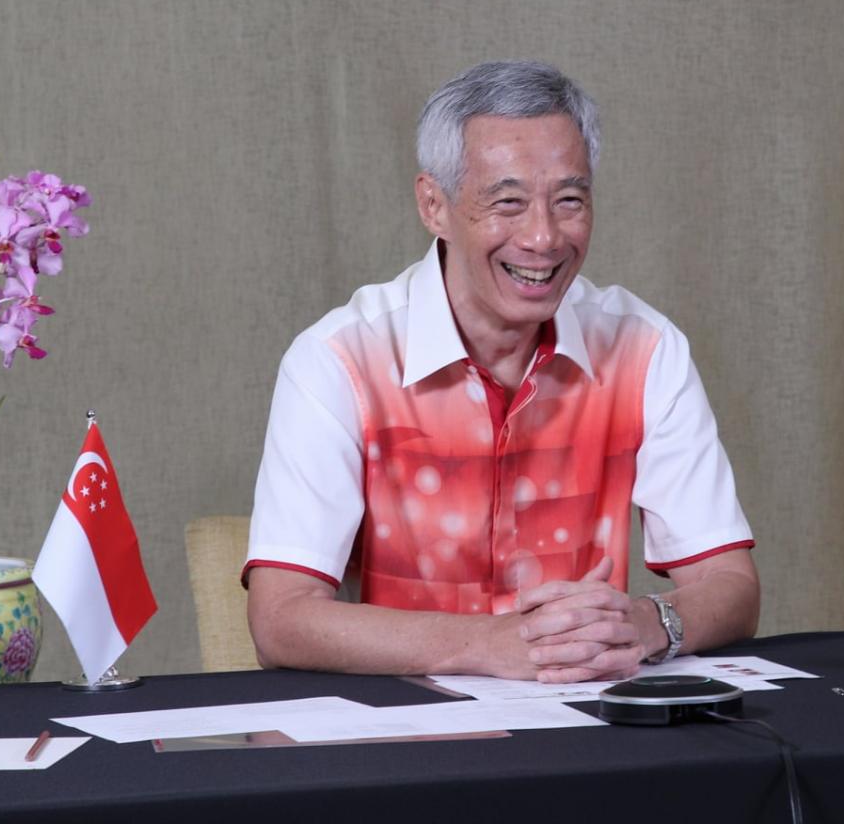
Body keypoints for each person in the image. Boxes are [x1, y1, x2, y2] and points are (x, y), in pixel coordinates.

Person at [244, 60, 758, 683]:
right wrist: (488, 643)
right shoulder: (339, 360)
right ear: (433, 205)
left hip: (588, 716)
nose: (543, 238)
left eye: (569, 201)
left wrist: (648, 623)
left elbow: (730, 584)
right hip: (400, 724)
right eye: (508, 202)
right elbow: (281, 620)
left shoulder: (644, 348)